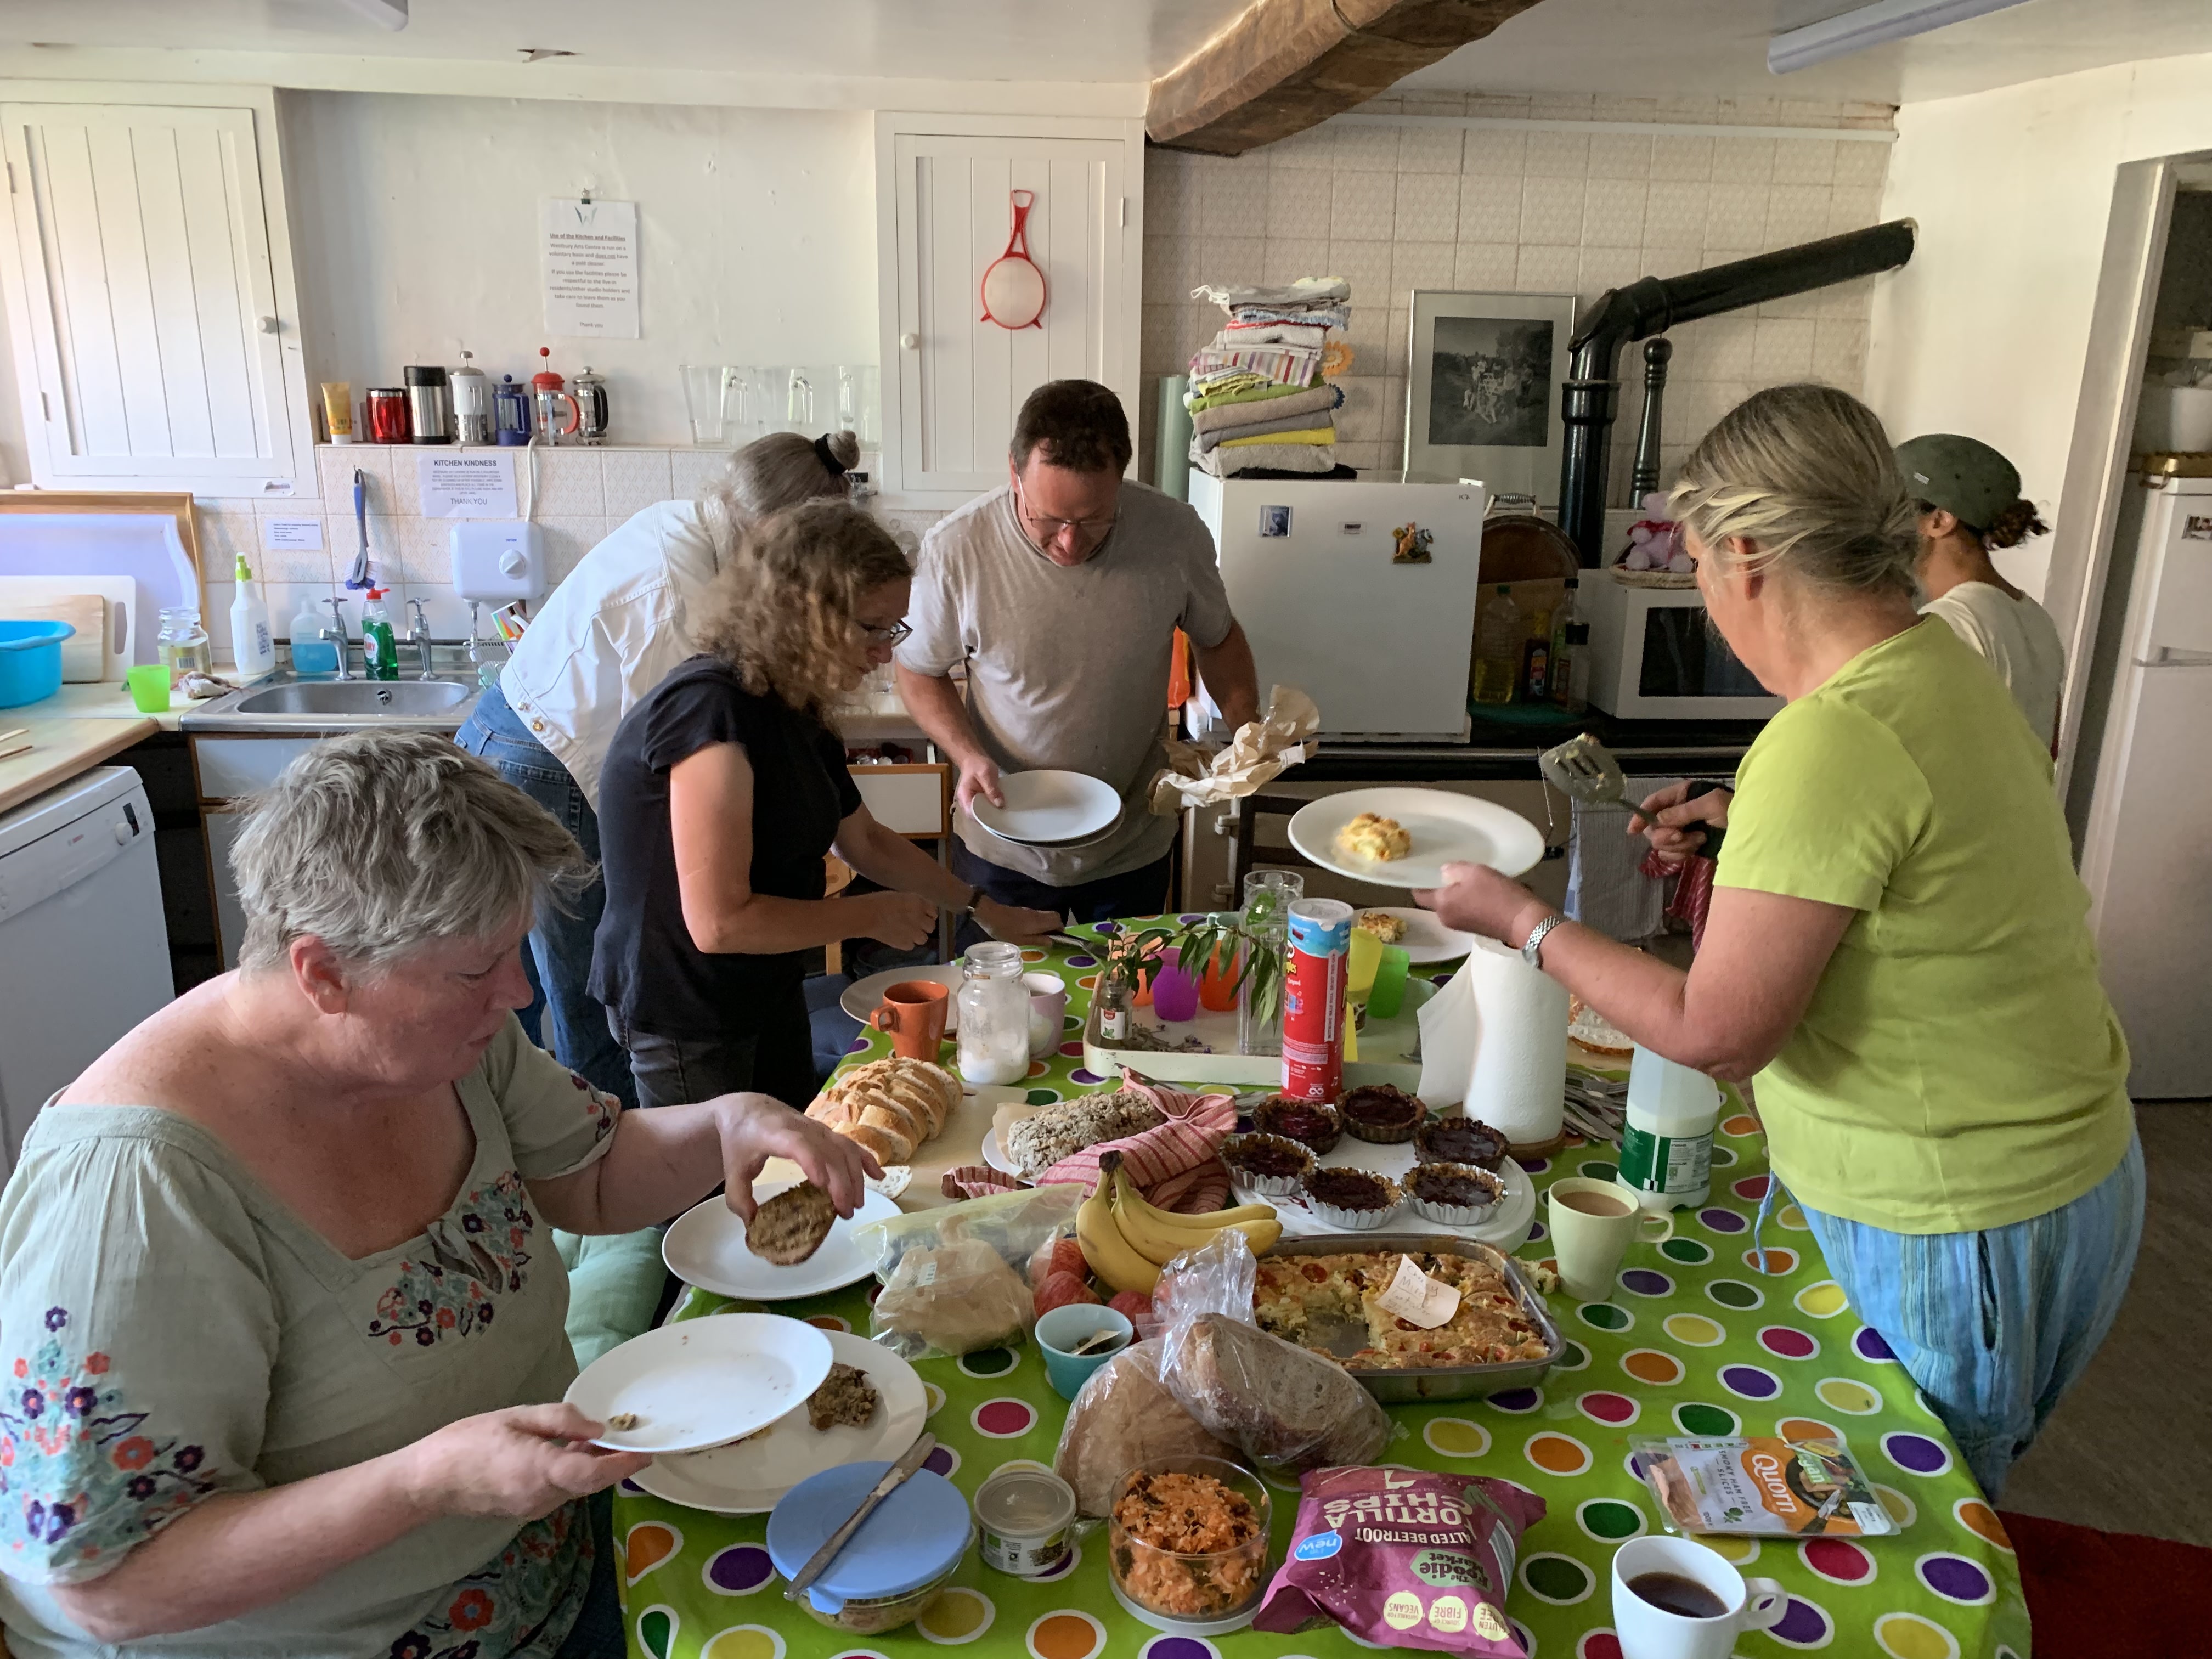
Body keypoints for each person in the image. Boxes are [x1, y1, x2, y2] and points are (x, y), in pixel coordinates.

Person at [0, 731, 878, 1659]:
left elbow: (586, 1172)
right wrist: (424, 1481)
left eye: (514, 951)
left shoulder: (442, 1038)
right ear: (322, 971)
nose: (519, 992)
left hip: (560, 1562)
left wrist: (723, 1124)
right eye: (476, 969)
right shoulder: (137, 1191)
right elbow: (102, 1580)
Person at [1417, 385, 2141, 1500]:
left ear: (1747, 554)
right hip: (2064, 1179)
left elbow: (1718, 1033)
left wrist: (1524, 922)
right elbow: (1900, 873)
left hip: (1959, 1208)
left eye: (1699, 570)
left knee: (1905, 1517)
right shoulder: (1945, 663)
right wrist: (1741, 830)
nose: (1707, 600)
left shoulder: (1832, 735)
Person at [590, 501, 1059, 1113]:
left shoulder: (798, 708)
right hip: (687, 1012)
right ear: (800, 615)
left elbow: (863, 842)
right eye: (872, 628)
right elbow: (719, 923)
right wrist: (867, 916)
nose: (886, 653)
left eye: (894, 628)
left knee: (789, 1177)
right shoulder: (710, 712)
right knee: (716, 1200)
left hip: (768, 988)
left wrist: (984, 908)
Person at [456, 431, 862, 1107]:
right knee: (578, 988)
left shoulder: (692, 526)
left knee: (514, 985)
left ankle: (528, 1143)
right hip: (539, 760)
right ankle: (607, 1173)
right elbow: (679, 754)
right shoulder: (675, 592)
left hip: (529, 735)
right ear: (769, 532)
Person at [895, 380, 1260, 929]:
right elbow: (918, 669)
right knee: (1007, 1012)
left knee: (1127, 1010)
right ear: (1014, 474)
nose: (1069, 542)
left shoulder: (1173, 534)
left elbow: (1219, 636)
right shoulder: (957, 550)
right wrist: (968, 756)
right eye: (1047, 518)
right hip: (1003, 848)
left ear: (1121, 483)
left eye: (1093, 520)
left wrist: (1248, 732)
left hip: (1130, 844)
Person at [1897, 432, 2065, 751]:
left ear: (1940, 520)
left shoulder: (1949, 625)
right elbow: (2051, 745)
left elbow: (1918, 755)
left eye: (1893, 510)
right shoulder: (2035, 618)